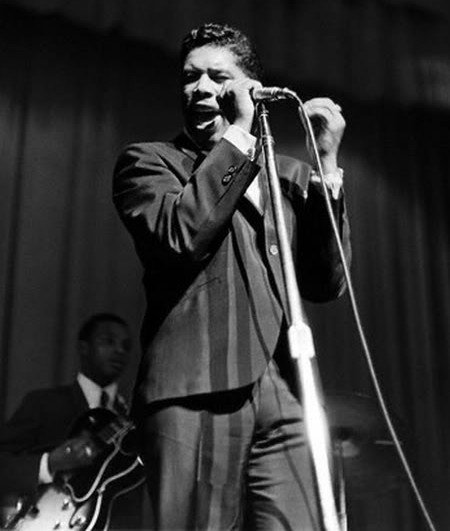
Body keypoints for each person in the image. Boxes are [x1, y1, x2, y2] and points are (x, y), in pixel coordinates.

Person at [113, 22, 350, 530]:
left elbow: (325, 282)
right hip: (197, 385)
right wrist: (239, 136)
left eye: (217, 76)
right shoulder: (149, 163)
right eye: (189, 77)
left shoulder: (289, 175)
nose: (200, 88)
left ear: (252, 88)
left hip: (285, 388)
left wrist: (325, 165)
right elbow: (182, 236)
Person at [0, 313, 143, 529]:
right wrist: (50, 463)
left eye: (126, 346)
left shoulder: (131, 418)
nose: (119, 351)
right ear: (83, 348)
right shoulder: (44, 403)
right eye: (108, 341)